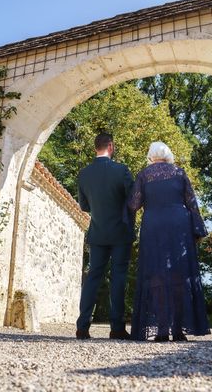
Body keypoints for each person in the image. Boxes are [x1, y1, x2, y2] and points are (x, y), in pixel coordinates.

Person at [128, 141, 211, 342]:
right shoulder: (179, 172)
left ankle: (162, 330)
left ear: (150, 155)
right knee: (178, 275)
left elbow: (134, 204)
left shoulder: (144, 175)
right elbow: (191, 202)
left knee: (156, 274)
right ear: (168, 154)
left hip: (154, 226)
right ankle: (178, 331)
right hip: (178, 227)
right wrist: (198, 229)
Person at [75, 132, 135, 340]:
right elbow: (133, 200)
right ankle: (116, 327)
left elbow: (84, 206)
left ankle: (82, 327)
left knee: (92, 278)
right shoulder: (121, 171)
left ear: (95, 148)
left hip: (98, 232)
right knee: (118, 278)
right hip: (120, 232)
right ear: (110, 146)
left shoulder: (83, 174)